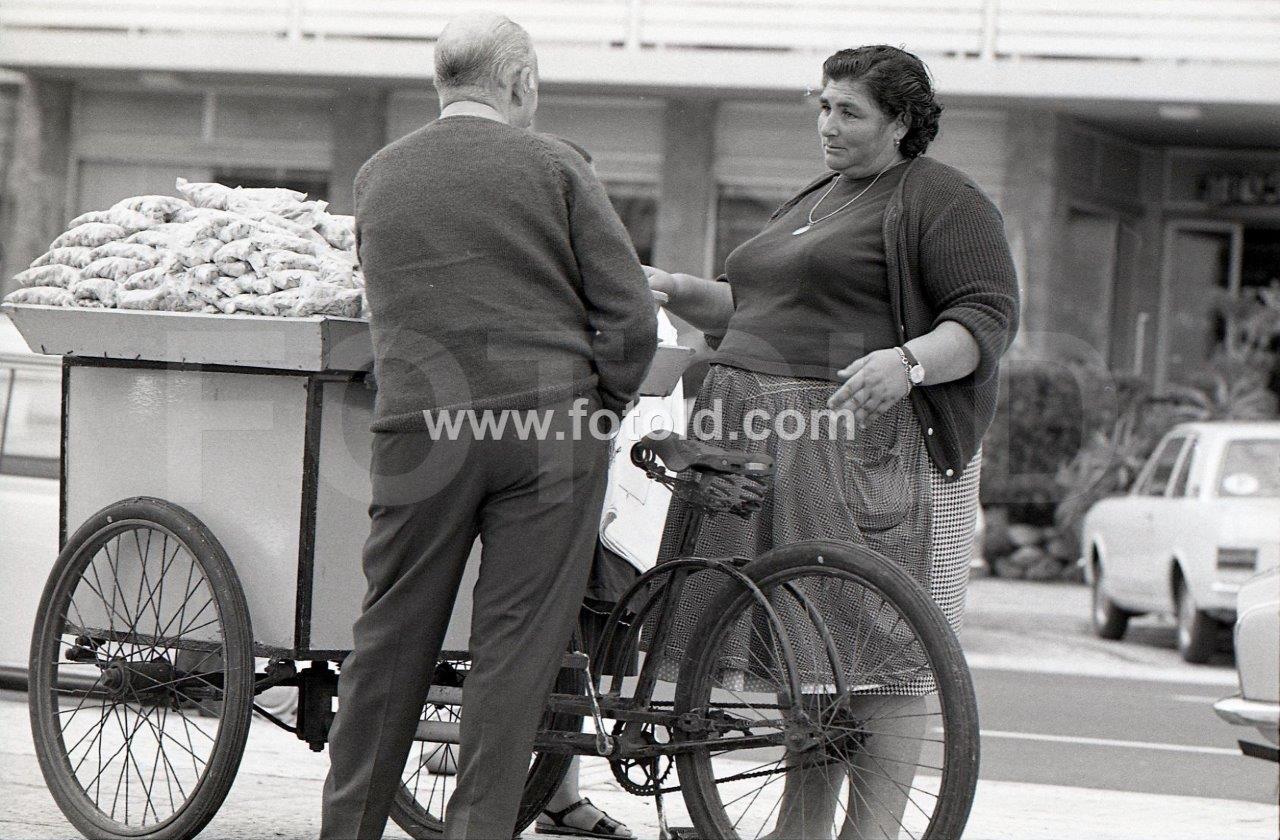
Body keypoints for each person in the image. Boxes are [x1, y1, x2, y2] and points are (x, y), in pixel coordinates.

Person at [644, 45, 1019, 838]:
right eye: (823, 106)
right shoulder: (822, 194)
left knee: (885, 653)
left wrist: (908, 362)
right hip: (772, 445)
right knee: (807, 650)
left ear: (902, 121)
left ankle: (870, 833)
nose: (828, 124)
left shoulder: (943, 198)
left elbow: (986, 319)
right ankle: (800, 830)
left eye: (849, 111)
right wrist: (677, 289)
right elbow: (757, 307)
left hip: (874, 454)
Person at [320, 12, 657, 840]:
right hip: (550, 431)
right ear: (518, 82)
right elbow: (630, 314)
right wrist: (603, 407)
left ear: (443, 83)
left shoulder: (379, 175)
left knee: (389, 638)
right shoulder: (554, 166)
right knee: (514, 654)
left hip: (419, 432)